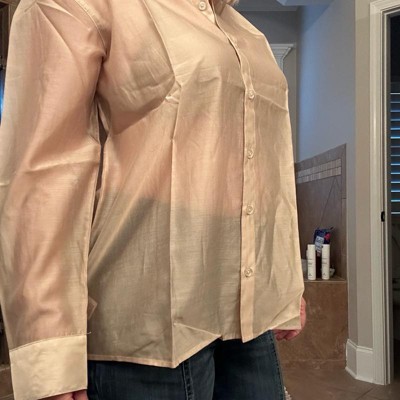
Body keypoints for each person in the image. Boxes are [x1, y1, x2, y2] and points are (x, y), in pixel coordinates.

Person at [0, 0, 307, 399]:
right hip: (148, 332)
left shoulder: (241, 30)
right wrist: (50, 351)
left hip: (248, 322)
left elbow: (263, 172)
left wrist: (282, 284)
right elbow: (45, 174)